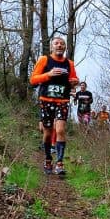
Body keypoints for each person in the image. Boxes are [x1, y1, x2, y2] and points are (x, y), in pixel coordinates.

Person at [29, 36, 79, 176]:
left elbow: (73, 80)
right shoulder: (44, 60)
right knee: (47, 133)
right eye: (56, 43)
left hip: (62, 101)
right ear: (52, 47)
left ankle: (60, 163)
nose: (59, 45)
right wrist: (49, 74)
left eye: (62, 44)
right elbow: (33, 79)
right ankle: (48, 159)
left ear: (65, 48)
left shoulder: (69, 63)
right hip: (46, 100)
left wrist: (74, 82)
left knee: (61, 130)